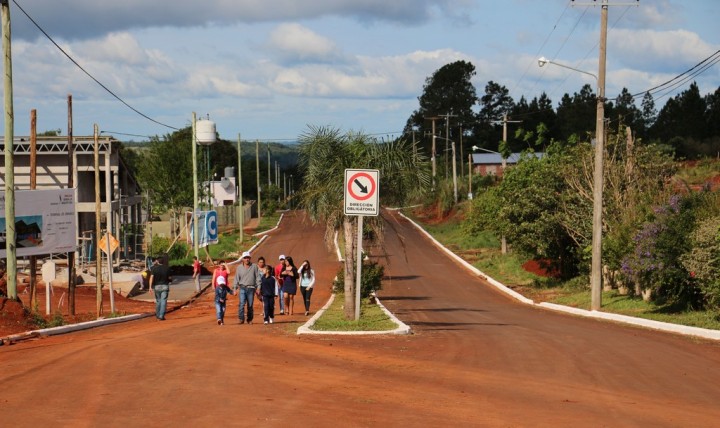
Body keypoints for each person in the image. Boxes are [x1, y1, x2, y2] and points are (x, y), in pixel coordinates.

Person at [233, 251, 260, 324]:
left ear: (250, 258)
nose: (246, 259)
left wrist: (258, 288)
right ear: (242, 259)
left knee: (250, 305)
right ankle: (241, 319)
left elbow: (258, 277)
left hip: (251, 288)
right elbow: (236, 278)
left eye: (248, 258)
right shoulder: (239, 268)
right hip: (242, 288)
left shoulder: (254, 266)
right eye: (245, 258)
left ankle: (249, 319)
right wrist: (235, 289)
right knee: (241, 304)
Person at [149, 255, 172, 320]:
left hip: (157, 286)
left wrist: (150, 287)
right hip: (165, 286)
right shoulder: (167, 268)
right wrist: (170, 281)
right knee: (163, 300)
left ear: (157, 261)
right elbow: (170, 277)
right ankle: (161, 315)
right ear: (163, 261)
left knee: (158, 301)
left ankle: (157, 314)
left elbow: (151, 277)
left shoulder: (154, 268)